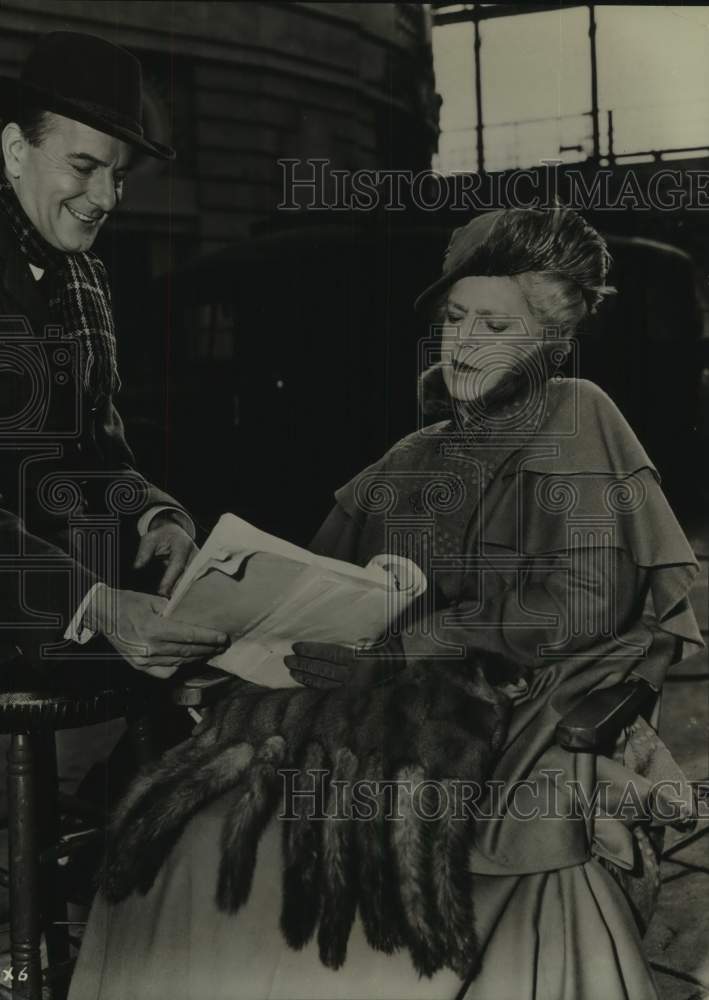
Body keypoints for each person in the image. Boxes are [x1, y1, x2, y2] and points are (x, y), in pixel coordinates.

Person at [69, 207, 702, 1000]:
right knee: (195, 828)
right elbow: (316, 579)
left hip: (509, 717)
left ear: (548, 342)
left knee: (322, 837)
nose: (463, 342)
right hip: (368, 705)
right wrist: (234, 623)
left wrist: (416, 640)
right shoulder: (411, 454)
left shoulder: (575, 412)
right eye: (454, 319)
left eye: (495, 324)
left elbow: (584, 603)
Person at [0, 31, 229, 686]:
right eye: (82, 167)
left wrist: (154, 515)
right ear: (16, 151)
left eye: (118, 174)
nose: (105, 198)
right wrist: (94, 605)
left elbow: (91, 453)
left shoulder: (82, 279)